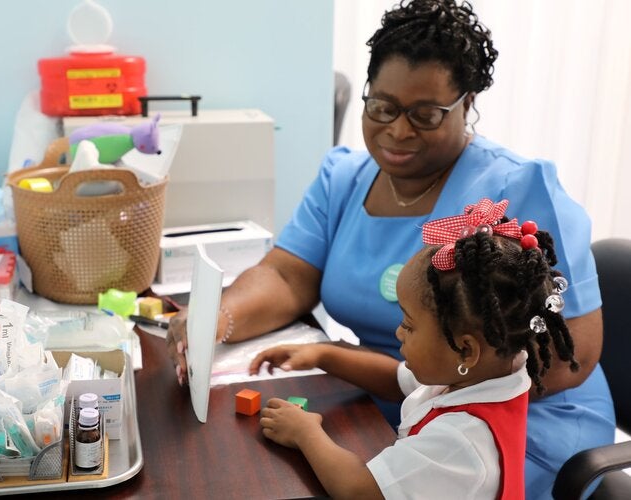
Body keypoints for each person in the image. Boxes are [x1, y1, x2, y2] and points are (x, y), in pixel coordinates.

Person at [166, 0, 615, 497]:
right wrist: (218, 320)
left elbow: (573, 351)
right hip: (404, 389)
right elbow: (287, 275)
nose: (398, 130)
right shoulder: (343, 178)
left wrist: (441, 385)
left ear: (468, 104)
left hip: (503, 420)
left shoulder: (517, 189)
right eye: (382, 106)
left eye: (425, 114)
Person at [250, 199, 576, 499]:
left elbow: (358, 489)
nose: (398, 332)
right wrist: (324, 354)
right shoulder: (494, 366)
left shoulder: (459, 441)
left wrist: (306, 433)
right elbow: (396, 380)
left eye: (408, 325)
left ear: (465, 350)